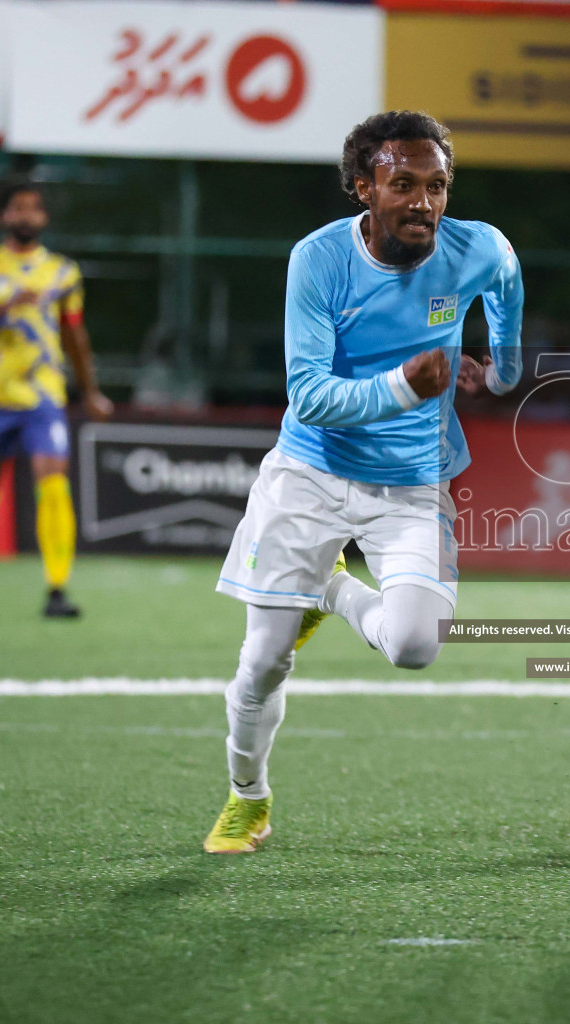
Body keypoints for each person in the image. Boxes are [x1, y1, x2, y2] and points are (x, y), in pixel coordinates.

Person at [203, 111, 523, 854]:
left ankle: (332, 591)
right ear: (363, 190)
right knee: (261, 662)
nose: (424, 202)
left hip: (413, 485)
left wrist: (501, 367)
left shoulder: (479, 248)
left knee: (415, 645)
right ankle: (248, 798)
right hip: (310, 476)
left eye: (437, 185)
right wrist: (406, 386)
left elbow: (504, 283)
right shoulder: (317, 261)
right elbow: (309, 395)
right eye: (403, 184)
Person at [0, 181, 113, 619]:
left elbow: (74, 333)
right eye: (17, 208)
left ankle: (57, 590)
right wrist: (4, 306)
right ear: (2, 217)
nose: (26, 215)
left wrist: (90, 390)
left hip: (44, 395)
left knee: (54, 482)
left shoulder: (63, 272)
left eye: (34, 209)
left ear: (43, 218)